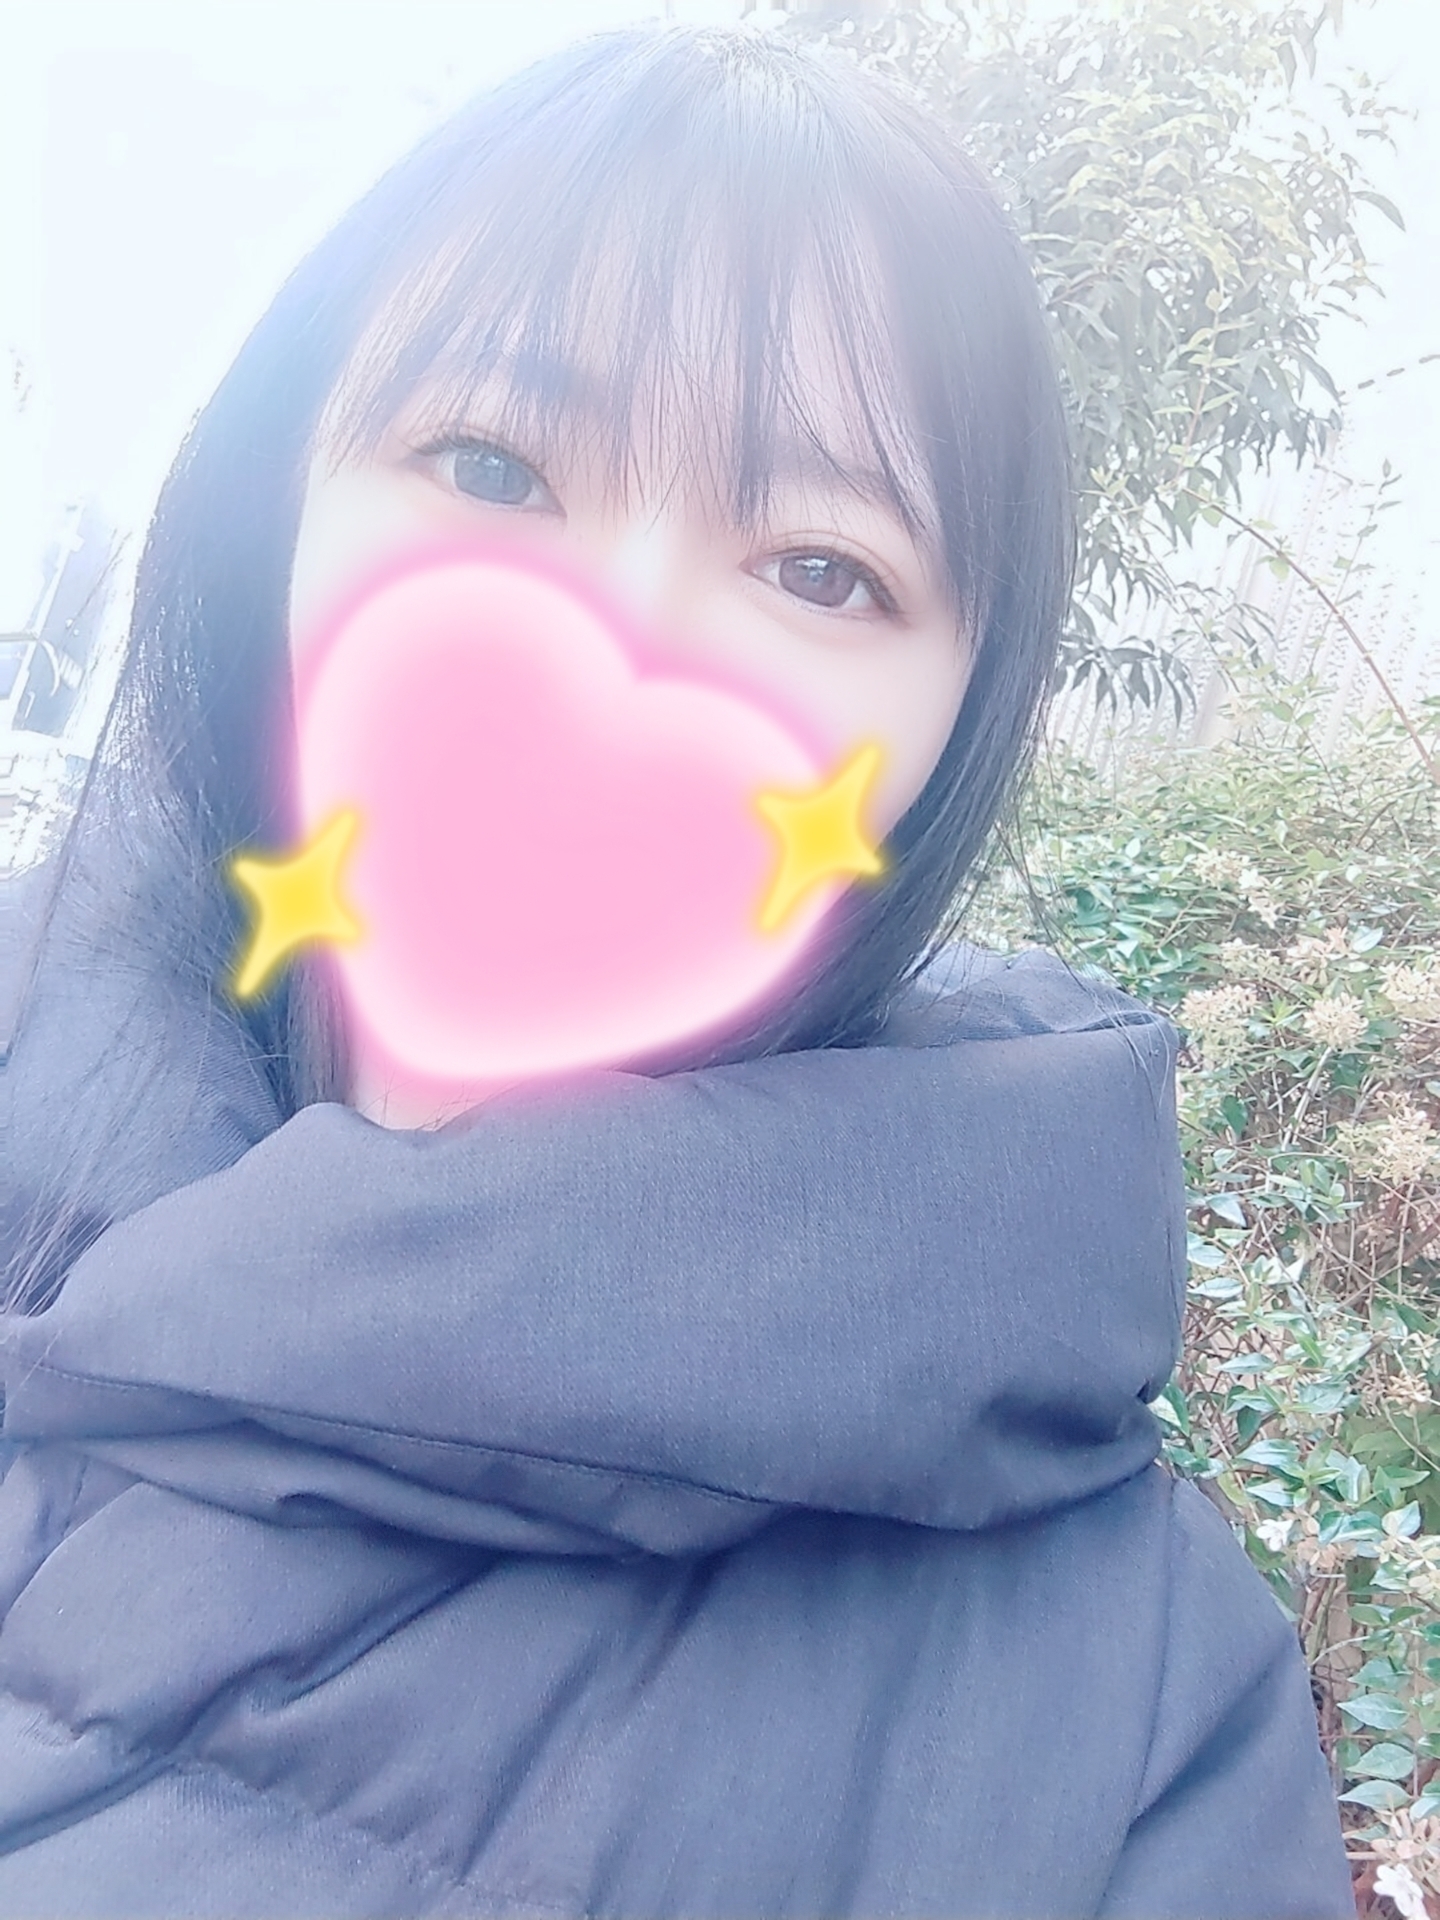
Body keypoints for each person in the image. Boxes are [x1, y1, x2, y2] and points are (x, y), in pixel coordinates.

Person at [0, 23, 1354, 1918]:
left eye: (820, 570)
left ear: (954, 733)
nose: (613, 635)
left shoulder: (1135, 1717)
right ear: (274, 502)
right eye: (489, 459)